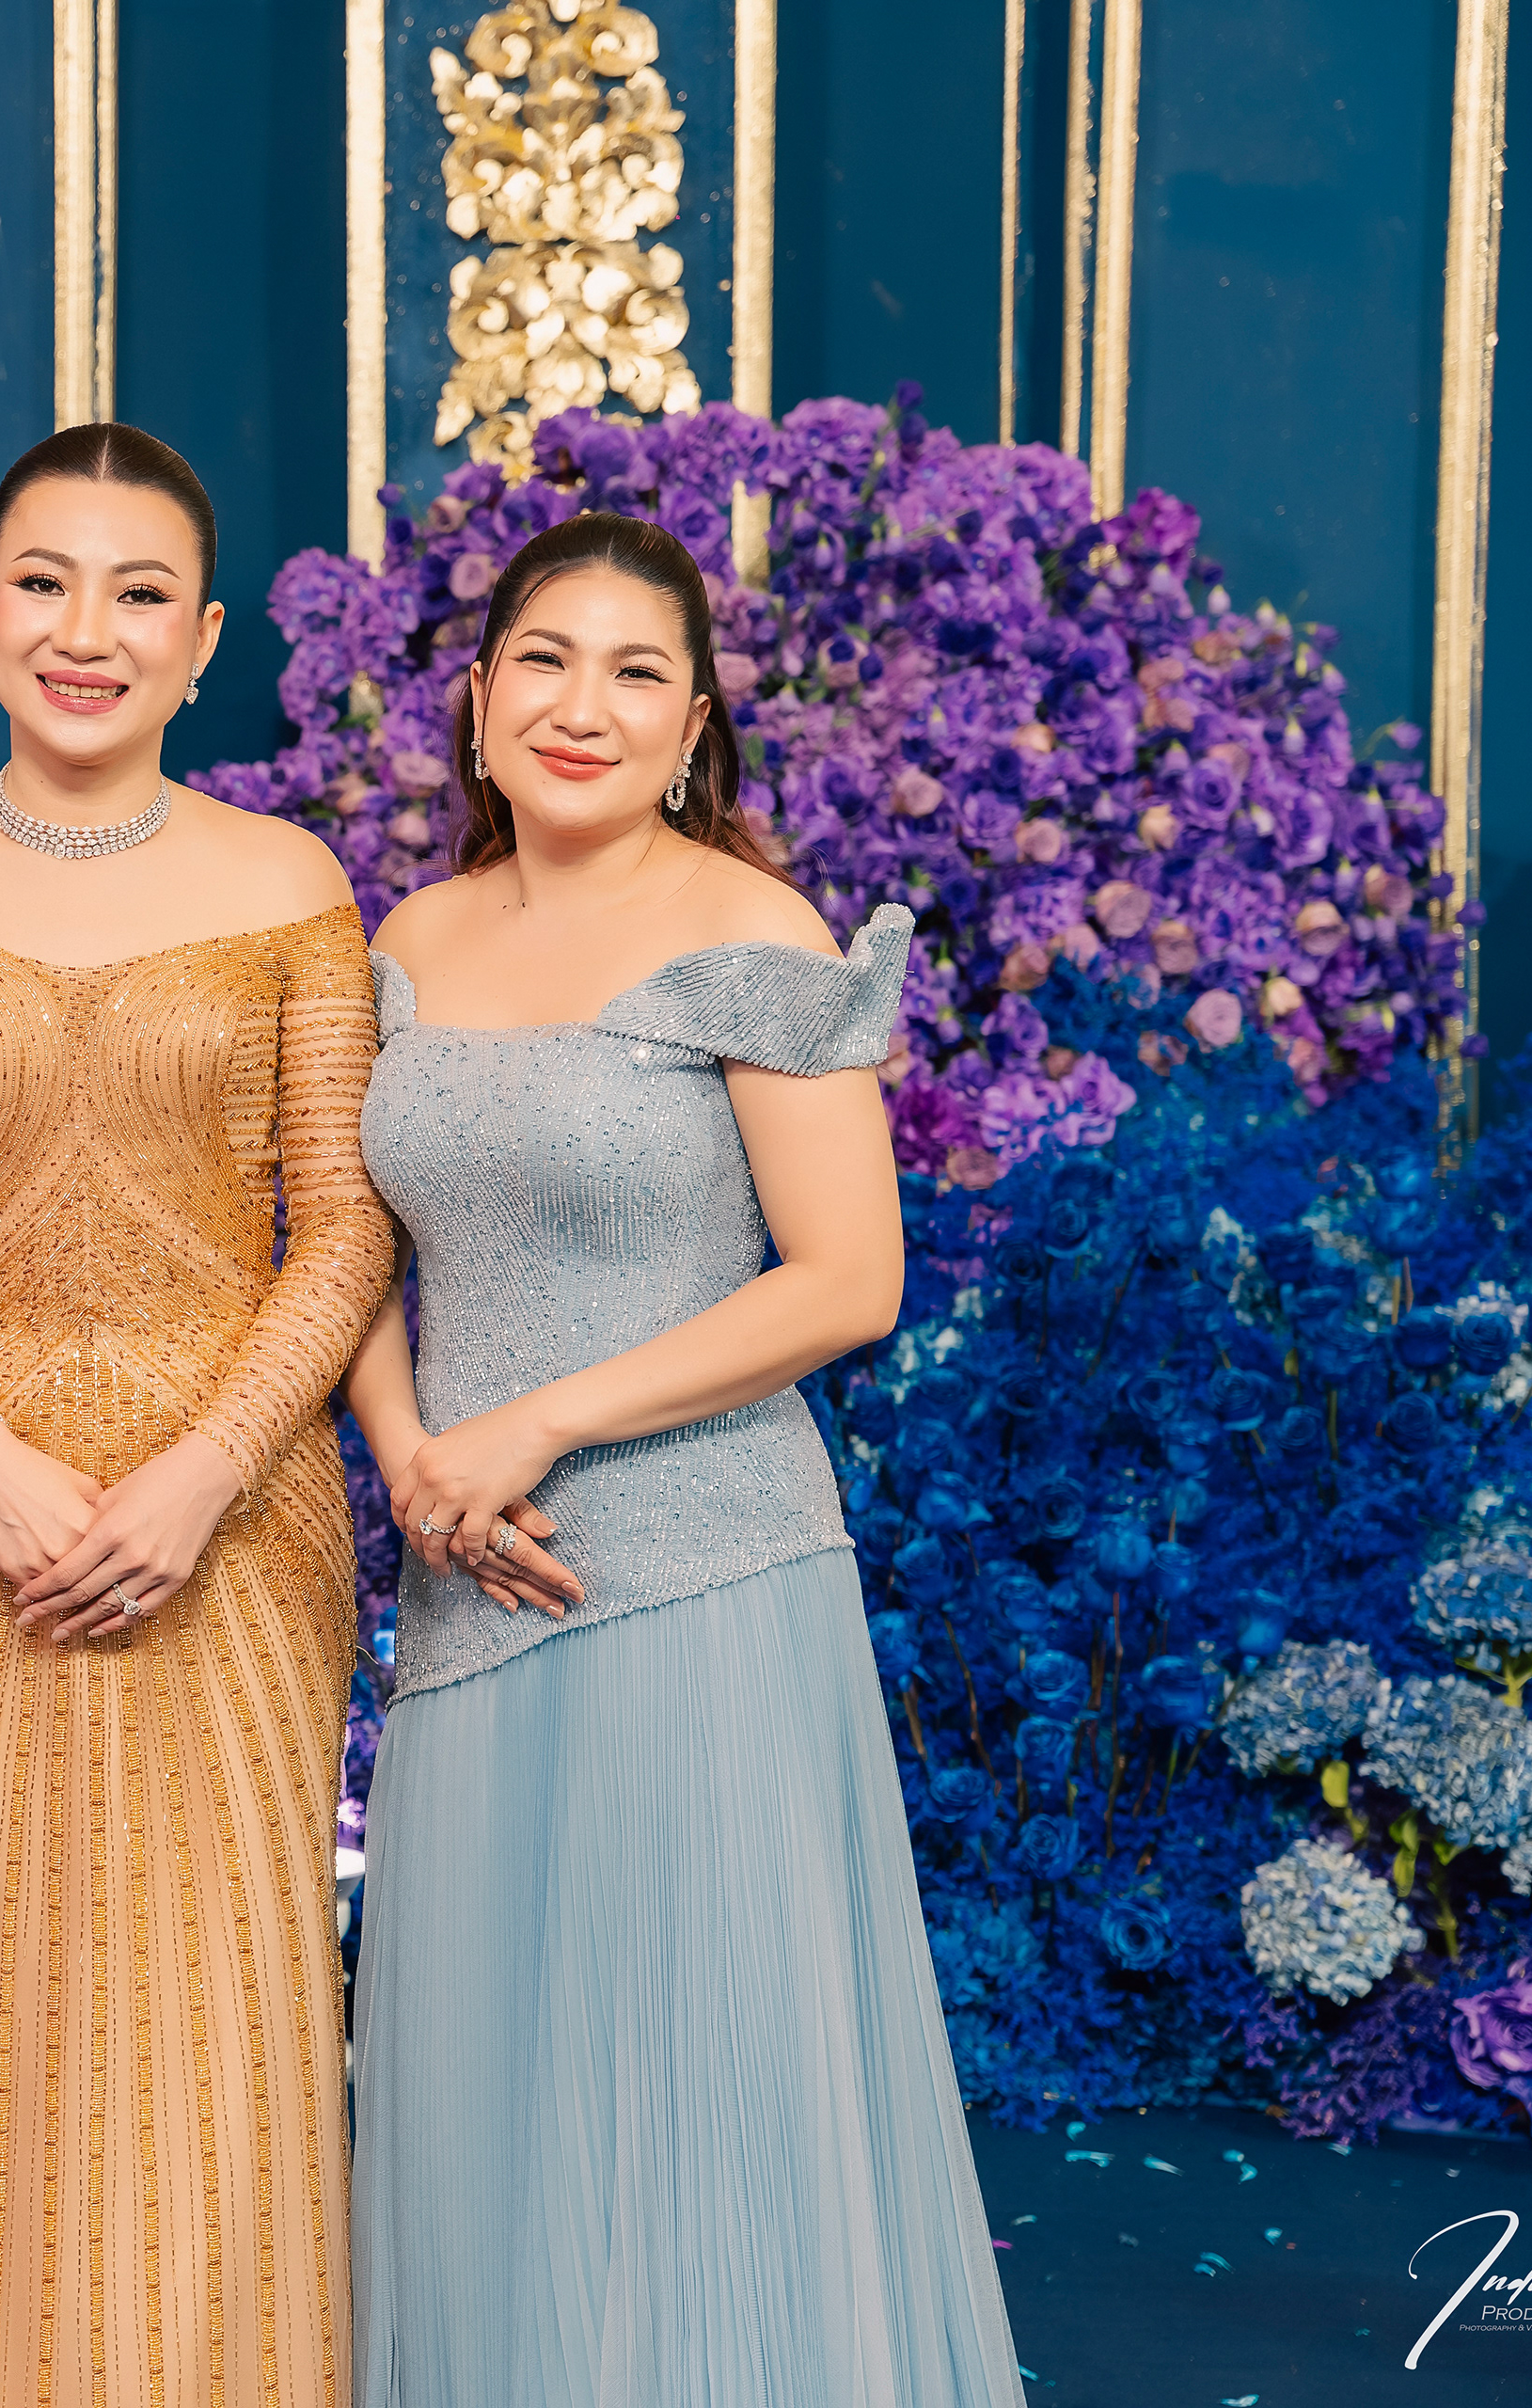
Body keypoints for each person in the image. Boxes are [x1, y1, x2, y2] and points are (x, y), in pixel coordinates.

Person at [342, 508, 1025, 2403]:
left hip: (705, 1574)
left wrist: (538, 1421)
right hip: (470, 1578)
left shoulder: (753, 932)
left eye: (637, 672)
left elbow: (849, 1281)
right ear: (479, 699)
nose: (585, 705)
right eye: (545, 661)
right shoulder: (410, 938)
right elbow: (356, 1258)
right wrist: (412, 1455)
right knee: (494, 2087)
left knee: (702, 2082)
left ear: (695, 723)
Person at [0, 422, 391, 2408]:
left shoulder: (290, 883)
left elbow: (344, 1226)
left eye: (139, 596)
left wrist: (207, 1471)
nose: (85, 631)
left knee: (219, 2006)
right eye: (44, 584)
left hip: (242, 1525)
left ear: (203, 643)